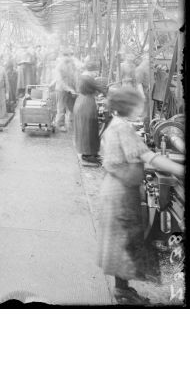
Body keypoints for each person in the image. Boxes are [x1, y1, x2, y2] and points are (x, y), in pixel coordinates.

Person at [97, 88, 184, 305]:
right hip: (120, 193)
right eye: (139, 105)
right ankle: (122, 292)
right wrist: (180, 169)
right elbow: (149, 156)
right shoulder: (123, 128)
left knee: (122, 242)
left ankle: (122, 289)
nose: (142, 109)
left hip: (116, 189)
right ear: (129, 107)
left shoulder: (114, 123)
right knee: (124, 241)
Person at [73, 75, 102, 166]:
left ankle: (89, 153)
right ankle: (88, 154)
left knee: (88, 132)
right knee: (89, 132)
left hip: (83, 110)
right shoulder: (87, 97)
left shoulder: (83, 96)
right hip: (86, 112)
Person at [51, 49, 78, 132]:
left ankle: (73, 121)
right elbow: (60, 81)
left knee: (72, 106)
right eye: (66, 56)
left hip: (70, 89)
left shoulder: (70, 64)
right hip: (61, 89)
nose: (68, 58)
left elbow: (74, 76)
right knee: (61, 107)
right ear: (62, 57)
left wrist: (75, 87)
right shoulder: (59, 66)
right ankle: (60, 124)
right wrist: (69, 89)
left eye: (69, 56)